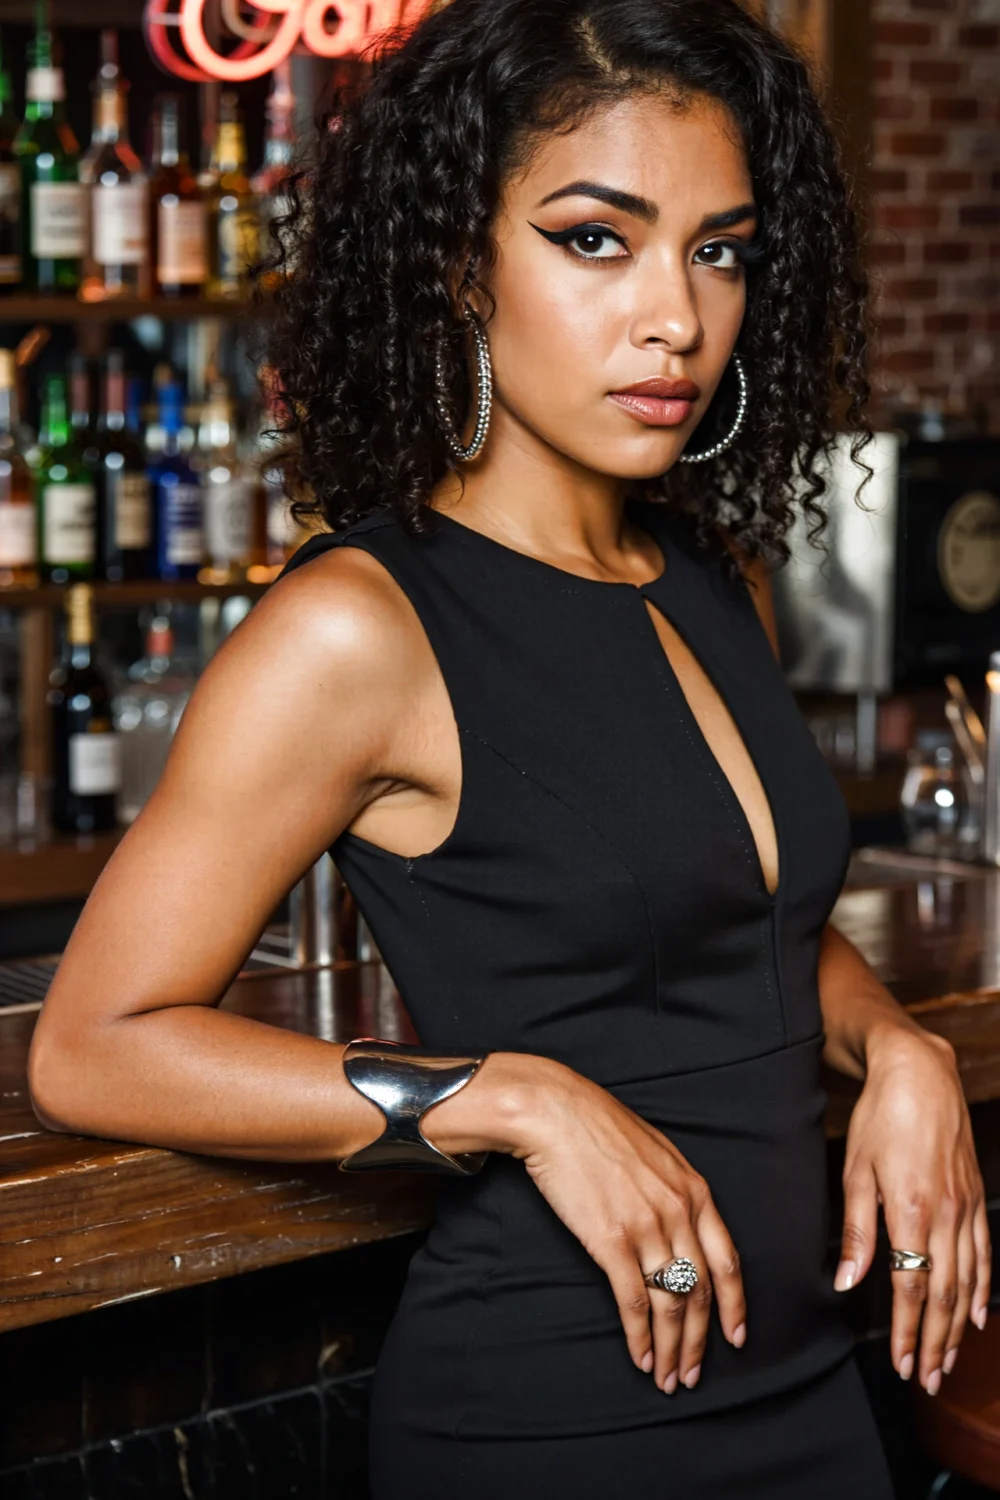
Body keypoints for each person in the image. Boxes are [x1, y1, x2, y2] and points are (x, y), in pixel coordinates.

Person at [29, 1, 990, 1496]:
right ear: (459, 261)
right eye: (595, 240)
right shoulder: (362, 628)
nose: (673, 314)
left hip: (815, 1392)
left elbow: (758, 932)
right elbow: (95, 1047)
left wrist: (899, 1046)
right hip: (561, 1413)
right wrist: (503, 1095)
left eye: (718, 249)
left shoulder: (708, 574)